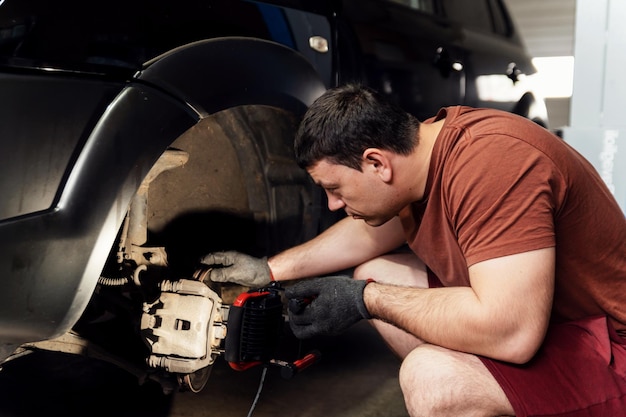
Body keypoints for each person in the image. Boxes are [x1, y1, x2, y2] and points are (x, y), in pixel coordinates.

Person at [200, 84, 626, 416]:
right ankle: (493, 397)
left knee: (431, 381)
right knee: (379, 269)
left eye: (334, 189)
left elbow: (512, 333)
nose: (332, 205)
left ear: (376, 163)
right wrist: (270, 270)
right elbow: (370, 232)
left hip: (608, 345)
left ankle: (479, 396)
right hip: (548, 317)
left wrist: (365, 300)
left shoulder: (493, 167)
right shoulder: (423, 152)